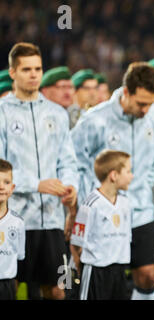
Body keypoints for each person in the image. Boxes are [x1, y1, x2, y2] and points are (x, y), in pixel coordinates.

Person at [71, 62, 154, 300]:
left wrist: (143, 187)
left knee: (147, 275)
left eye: (150, 103)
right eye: (141, 103)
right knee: (103, 279)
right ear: (126, 92)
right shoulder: (95, 120)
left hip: (140, 211)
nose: (146, 110)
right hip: (102, 215)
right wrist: (85, 204)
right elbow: (75, 161)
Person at [0, 42, 79, 300]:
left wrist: (70, 186)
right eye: (26, 69)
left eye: (38, 68)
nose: (34, 74)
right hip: (14, 217)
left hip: (51, 218)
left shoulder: (56, 113)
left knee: (56, 290)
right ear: (13, 72)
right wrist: (36, 184)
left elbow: (67, 159)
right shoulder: (2, 113)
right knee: (9, 286)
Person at [70, 150, 133, 300]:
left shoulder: (125, 203)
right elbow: (76, 243)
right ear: (114, 175)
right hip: (95, 272)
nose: (132, 176)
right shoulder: (90, 205)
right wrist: (81, 268)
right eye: (128, 171)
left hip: (119, 271)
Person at [0, 159, 25, 300]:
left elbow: (20, 256)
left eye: (6, 182)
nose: (1, 187)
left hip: (7, 285)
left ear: (12, 188)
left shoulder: (18, 222)